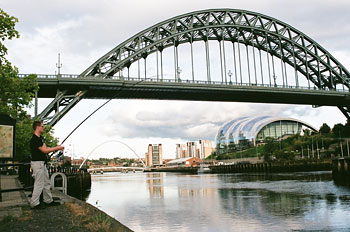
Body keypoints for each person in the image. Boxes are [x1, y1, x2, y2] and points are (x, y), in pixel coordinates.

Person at [30, 120, 64, 209]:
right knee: (39, 184)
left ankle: (48, 200)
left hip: (42, 164)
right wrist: (57, 147)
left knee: (46, 183)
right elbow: (44, 151)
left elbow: (46, 148)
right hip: (38, 164)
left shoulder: (40, 139)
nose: (43, 128)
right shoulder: (34, 139)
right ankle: (34, 203)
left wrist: (56, 148)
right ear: (37, 127)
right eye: (42, 126)